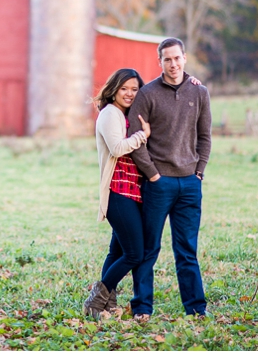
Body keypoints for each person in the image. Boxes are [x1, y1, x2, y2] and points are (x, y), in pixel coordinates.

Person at [127, 37, 211, 319]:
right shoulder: (148, 94)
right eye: (167, 59)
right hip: (158, 185)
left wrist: (199, 172)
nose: (173, 64)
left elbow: (205, 136)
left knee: (187, 250)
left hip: (189, 183)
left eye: (177, 58)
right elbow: (134, 139)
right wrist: (152, 175)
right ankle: (142, 307)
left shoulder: (200, 92)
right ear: (159, 61)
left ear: (184, 58)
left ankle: (196, 309)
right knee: (148, 248)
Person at [82, 68, 151, 318]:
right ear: (114, 89)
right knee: (134, 253)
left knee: (118, 252)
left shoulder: (124, 114)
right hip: (117, 192)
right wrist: (143, 136)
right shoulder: (110, 113)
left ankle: (107, 305)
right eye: (125, 88)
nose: (130, 93)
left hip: (131, 192)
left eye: (134, 89)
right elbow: (117, 147)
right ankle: (94, 301)